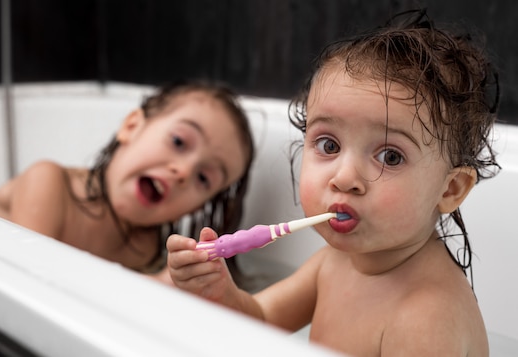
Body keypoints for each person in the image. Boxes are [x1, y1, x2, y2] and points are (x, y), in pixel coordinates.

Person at [167, 9, 500, 356]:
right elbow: (262, 319)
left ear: (450, 189)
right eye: (329, 145)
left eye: (390, 157)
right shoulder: (336, 262)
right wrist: (219, 291)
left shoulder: (425, 317)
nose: (344, 178)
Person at [0, 80, 255, 284]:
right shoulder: (47, 184)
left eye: (204, 178)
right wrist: (160, 285)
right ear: (131, 127)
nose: (183, 171)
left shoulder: (145, 246)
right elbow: (27, 286)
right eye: (178, 142)